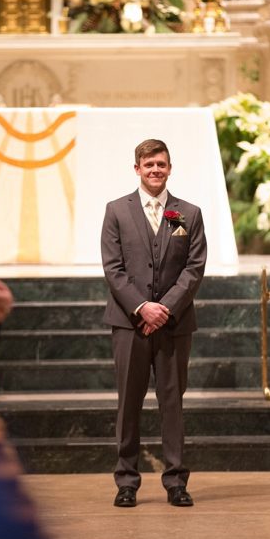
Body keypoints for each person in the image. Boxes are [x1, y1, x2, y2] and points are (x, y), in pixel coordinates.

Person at [101, 139, 207, 509]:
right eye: (148, 165)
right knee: (128, 404)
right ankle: (127, 481)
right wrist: (142, 308)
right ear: (137, 169)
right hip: (129, 325)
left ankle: (176, 481)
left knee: (171, 403)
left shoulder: (187, 213)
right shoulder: (116, 210)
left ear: (170, 168)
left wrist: (164, 309)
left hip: (173, 325)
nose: (155, 170)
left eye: (161, 164)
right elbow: (113, 269)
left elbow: (194, 268)